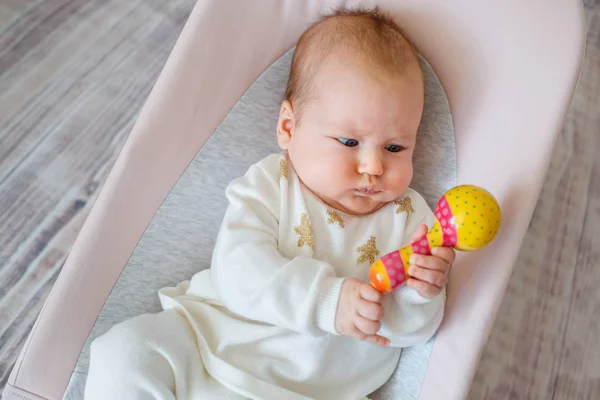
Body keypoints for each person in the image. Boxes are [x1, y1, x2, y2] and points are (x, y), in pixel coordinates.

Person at [85, 7, 455, 400]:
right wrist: (326, 301)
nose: (374, 166)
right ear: (288, 128)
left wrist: (421, 295)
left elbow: (410, 334)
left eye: (395, 147)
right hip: (209, 344)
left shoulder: (409, 219)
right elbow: (239, 270)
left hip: (314, 391)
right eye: (349, 142)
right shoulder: (270, 184)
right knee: (125, 351)